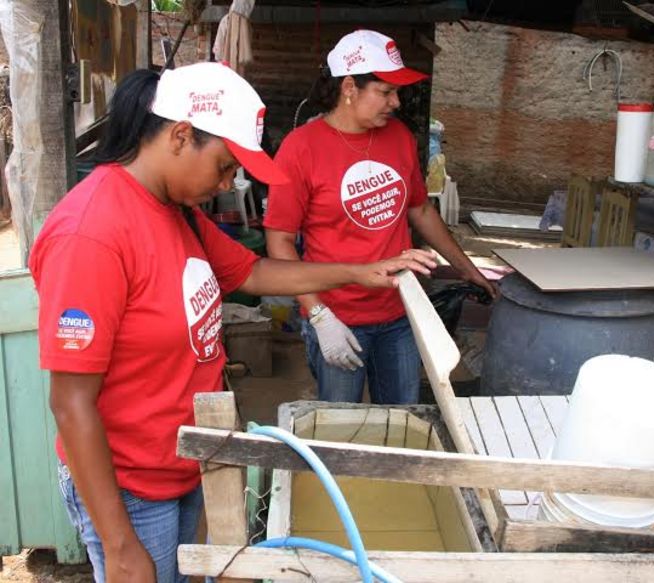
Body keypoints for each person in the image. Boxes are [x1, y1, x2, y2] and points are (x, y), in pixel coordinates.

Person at [29, 62, 435, 583]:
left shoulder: (177, 211)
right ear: (180, 136)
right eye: (224, 165)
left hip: (183, 460)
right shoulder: (92, 234)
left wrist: (363, 271)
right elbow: (71, 400)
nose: (229, 182)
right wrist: (119, 541)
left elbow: (254, 269)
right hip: (131, 485)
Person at [264, 30, 495, 405]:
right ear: (350, 87)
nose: (396, 102)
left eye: (396, 92)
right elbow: (280, 241)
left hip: (399, 311)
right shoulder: (301, 148)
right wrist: (319, 316)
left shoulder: (399, 137)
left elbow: (419, 209)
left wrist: (466, 267)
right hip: (338, 314)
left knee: (401, 421)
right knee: (341, 432)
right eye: (386, 92)